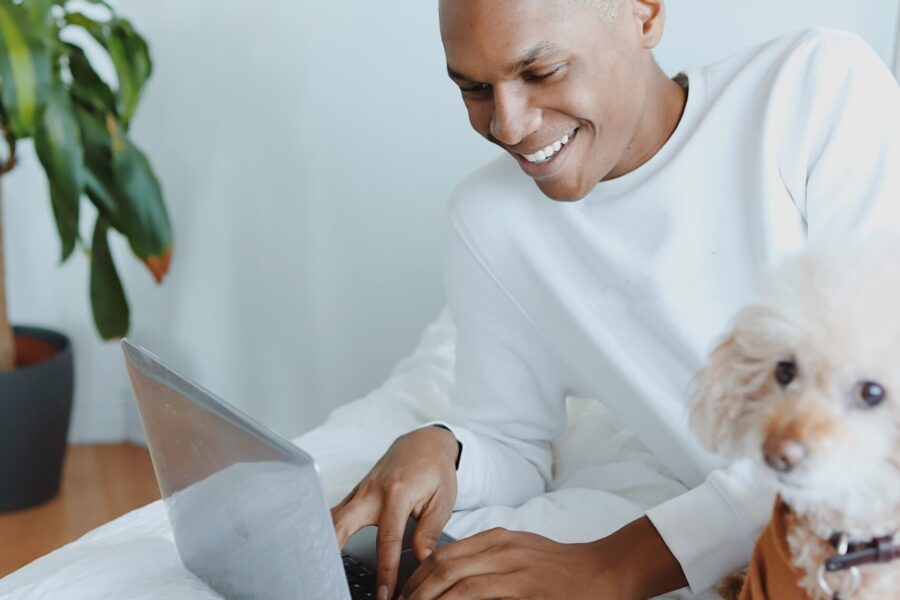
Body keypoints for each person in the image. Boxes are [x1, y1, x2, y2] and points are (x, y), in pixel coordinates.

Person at [330, 0, 900, 598]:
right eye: (474, 90)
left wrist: (613, 565)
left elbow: (877, 418)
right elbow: (514, 443)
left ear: (645, 15)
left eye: (542, 72)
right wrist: (444, 450)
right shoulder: (489, 220)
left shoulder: (815, 88)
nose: (509, 126)